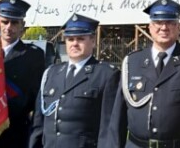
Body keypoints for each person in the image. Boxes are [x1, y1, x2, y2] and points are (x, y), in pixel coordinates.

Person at [105, 0, 180, 148]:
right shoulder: (133, 61)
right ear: (150, 27)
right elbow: (117, 117)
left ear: (178, 27)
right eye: (158, 23)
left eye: (170, 22)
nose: (164, 27)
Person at [29, 14, 120, 148]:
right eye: (70, 39)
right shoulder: (51, 73)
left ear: (93, 41)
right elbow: (39, 123)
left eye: (80, 39)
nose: (75, 43)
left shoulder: (106, 75)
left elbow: (109, 128)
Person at [0, 0, 45, 148]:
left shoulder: (34, 55)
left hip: (14, 132)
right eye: (4, 22)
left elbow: (36, 98)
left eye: (14, 23)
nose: (8, 27)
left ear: (23, 26)